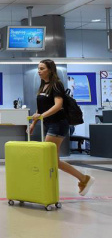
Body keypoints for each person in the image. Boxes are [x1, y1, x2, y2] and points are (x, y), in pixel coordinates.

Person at [29, 59, 94, 196]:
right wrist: (34, 123)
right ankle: (83, 179)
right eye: (38, 68)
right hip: (49, 124)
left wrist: (41, 117)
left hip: (58, 124)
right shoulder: (43, 86)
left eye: (42, 69)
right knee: (53, 160)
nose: (39, 71)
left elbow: (58, 105)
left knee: (47, 157)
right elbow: (40, 108)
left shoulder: (56, 85)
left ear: (50, 70)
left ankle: (81, 179)